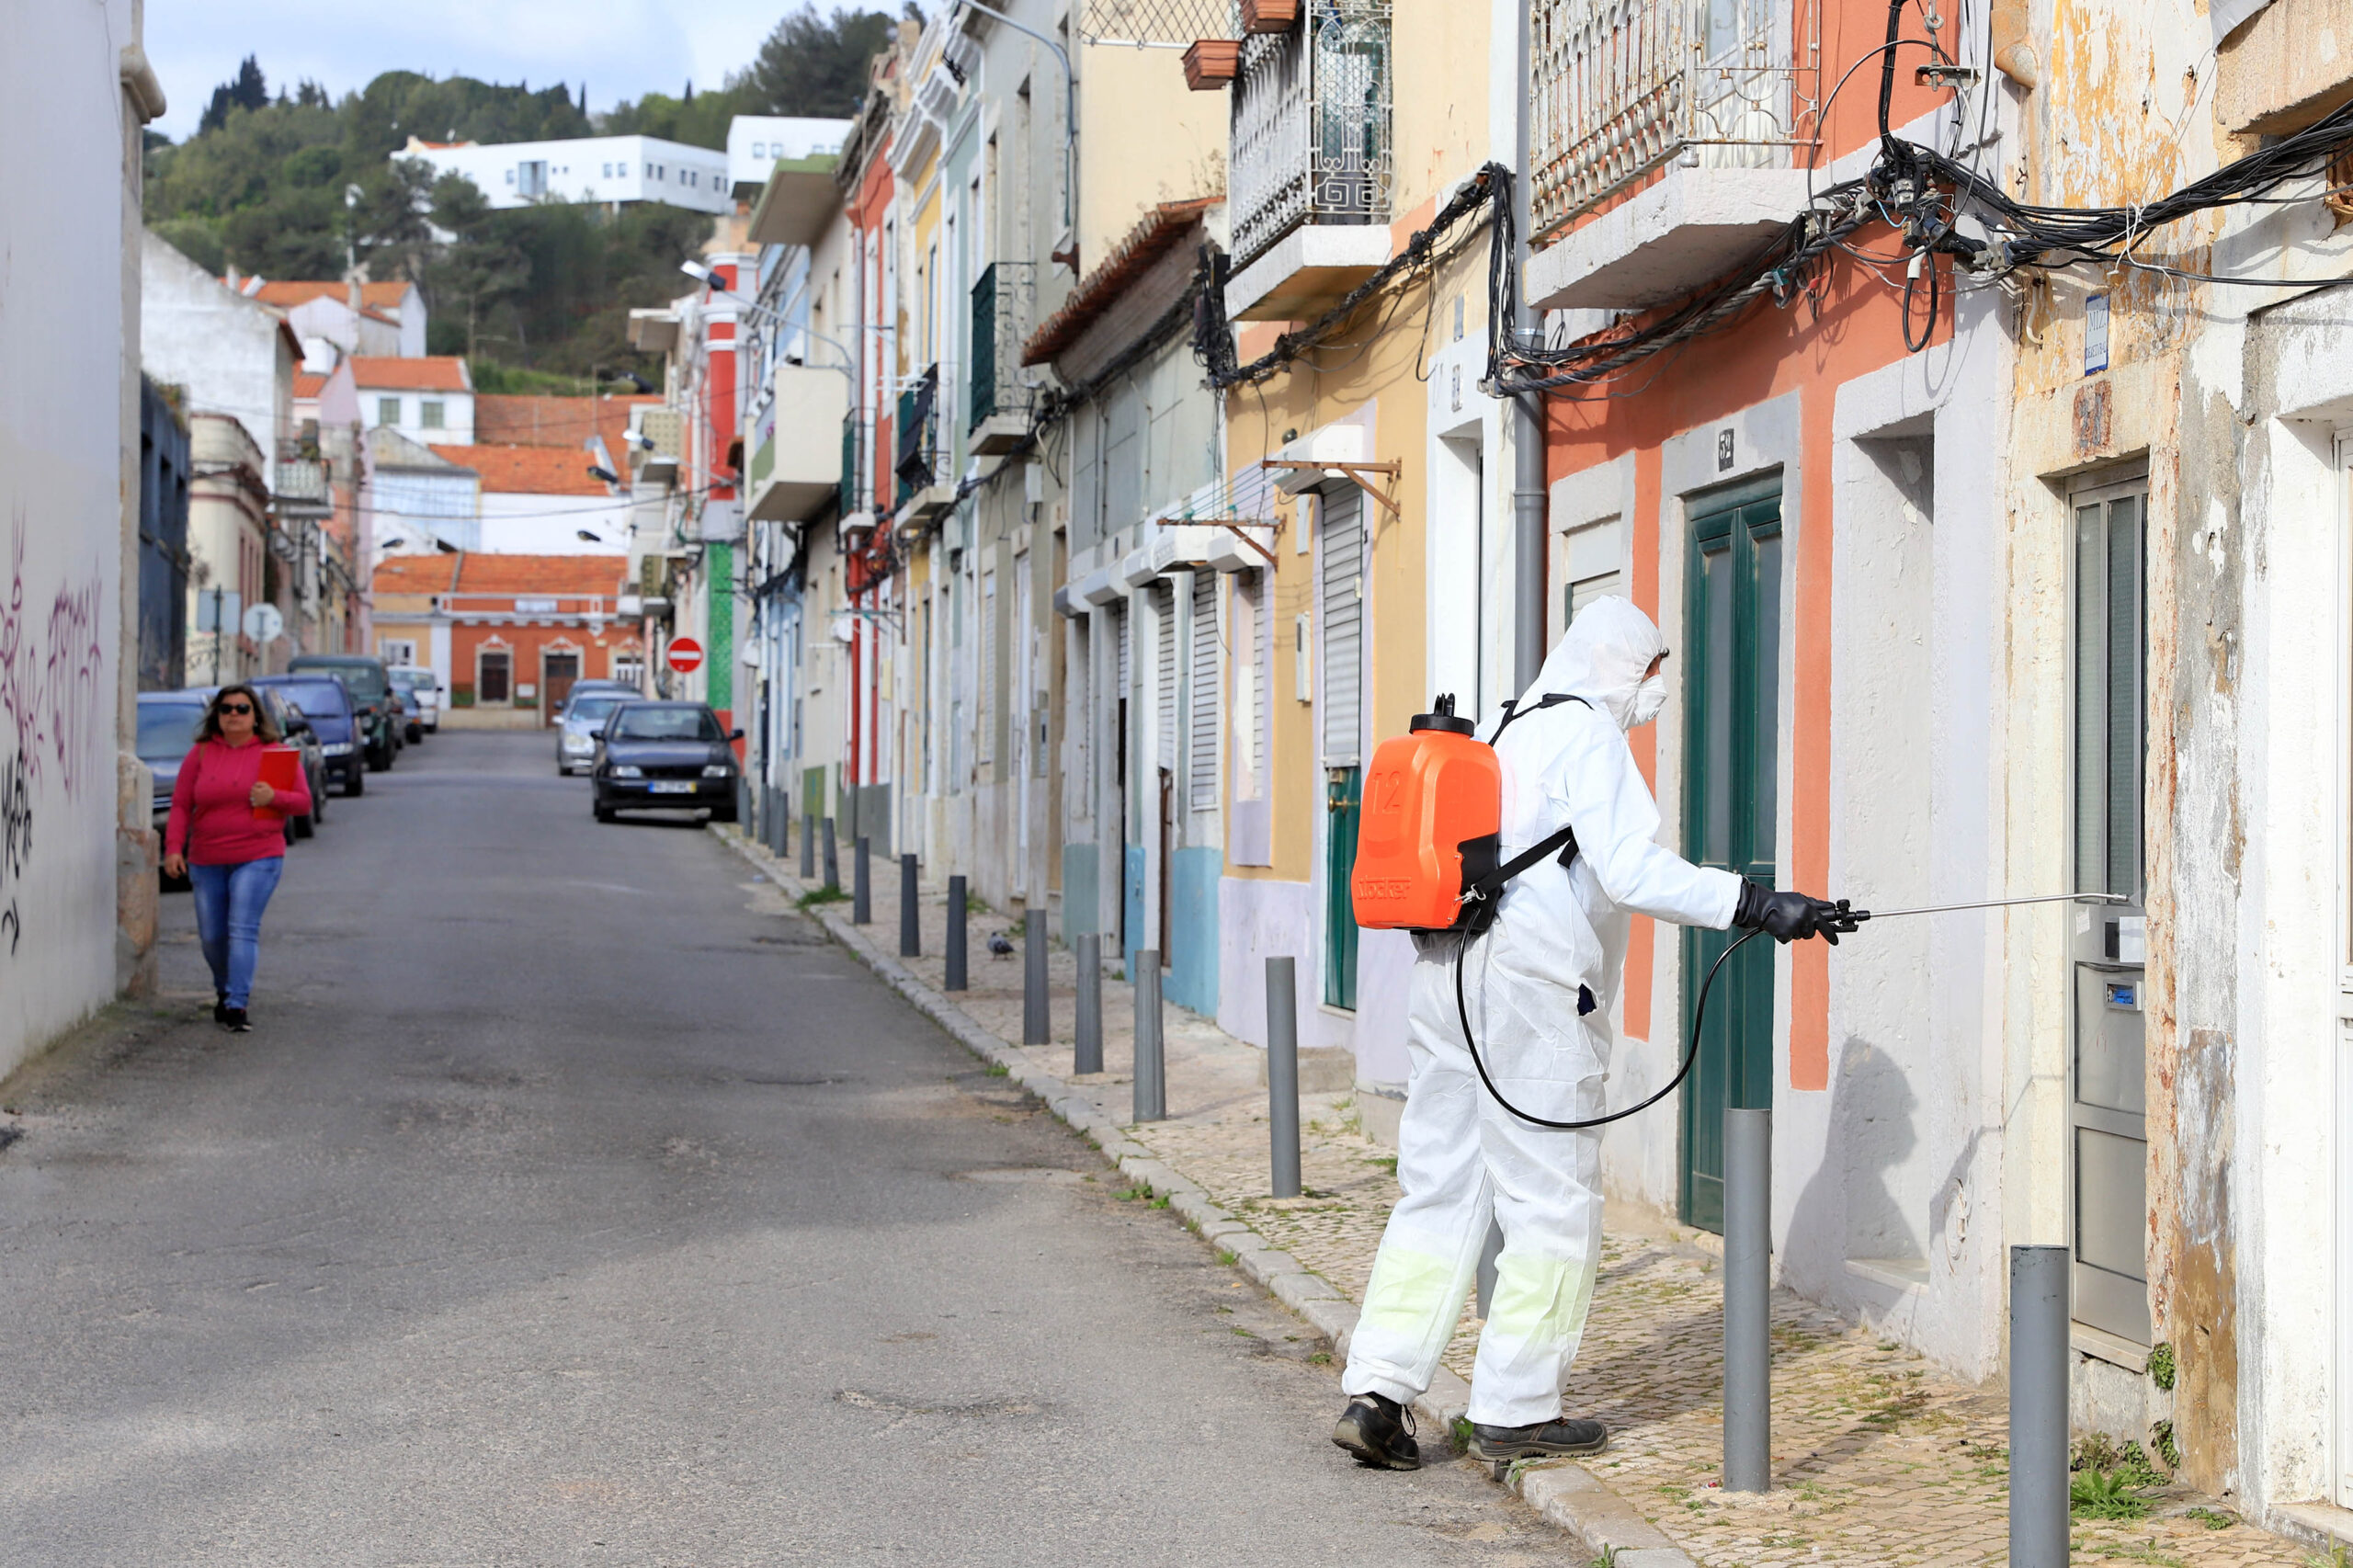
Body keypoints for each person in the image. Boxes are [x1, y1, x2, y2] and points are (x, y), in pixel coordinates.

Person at [1333, 597, 1841, 1470]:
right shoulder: (1586, 735)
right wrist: (1758, 904)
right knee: (1552, 1203)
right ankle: (1518, 1408)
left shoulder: (1497, 722)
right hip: (1530, 995)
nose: (1656, 692)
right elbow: (1632, 868)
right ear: (1620, 666)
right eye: (1652, 672)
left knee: (1439, 1191)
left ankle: (1377, 1393)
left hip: (1445, 978)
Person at [162, 685, 311, 1033]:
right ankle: (224, 988)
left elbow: (303, 802)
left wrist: (275, 797)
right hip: (206, 856)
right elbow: (182, 804)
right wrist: (172, 848)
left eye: (242, 708)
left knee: (241, 928)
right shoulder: (200, 754)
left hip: (258, 854)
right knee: (212, 936)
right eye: (226, 708)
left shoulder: (275, 754)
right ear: (216, 715)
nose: (233, 714)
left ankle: (237, 1004)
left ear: (255, 716)